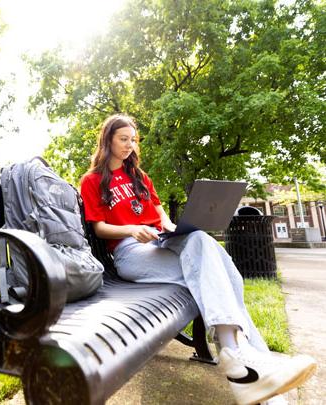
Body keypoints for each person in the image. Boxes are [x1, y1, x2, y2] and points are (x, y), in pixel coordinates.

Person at [80, 114, 316, 405]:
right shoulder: (92, 180)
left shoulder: (141, 178)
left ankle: (244, 364)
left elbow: (160, 215)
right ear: (108, 140)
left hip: (160, 244)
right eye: (123, 139)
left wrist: (172, 230)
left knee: (204, 244)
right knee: (222, 278)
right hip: (129, 253)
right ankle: (253, 370)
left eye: (133, 140)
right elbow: (99, 228)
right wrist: (131, 229)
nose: (129, 145)